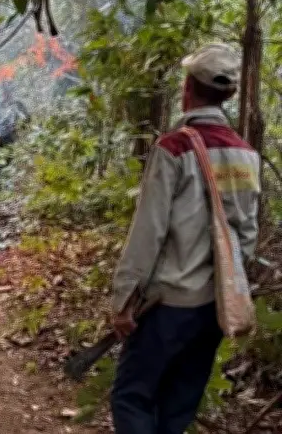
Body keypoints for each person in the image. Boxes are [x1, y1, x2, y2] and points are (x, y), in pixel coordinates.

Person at [109, 44, 261, 434]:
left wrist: (124, 298)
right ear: (229, 95)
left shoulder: (173, 148)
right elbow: (246, 236)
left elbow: (149, 231)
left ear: (187, 88)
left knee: (132, 397)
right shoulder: (246, 155)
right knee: (177, 410)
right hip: (212, 309)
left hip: (167, 304)